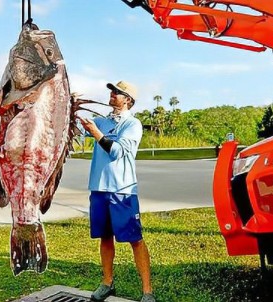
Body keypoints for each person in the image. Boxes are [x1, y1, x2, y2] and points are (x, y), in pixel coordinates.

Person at [77, 81, 155, 302]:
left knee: (135, 239)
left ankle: (147, 291)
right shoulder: (101, 121)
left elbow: (118, 152)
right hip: (99, 189)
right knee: (105, 237)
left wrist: (98, 135)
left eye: (117, 93)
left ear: (128, 100)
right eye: (112, 91)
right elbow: (76, 126)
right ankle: (107, 282)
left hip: (122, 191)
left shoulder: (133, 124)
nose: (112, 95)